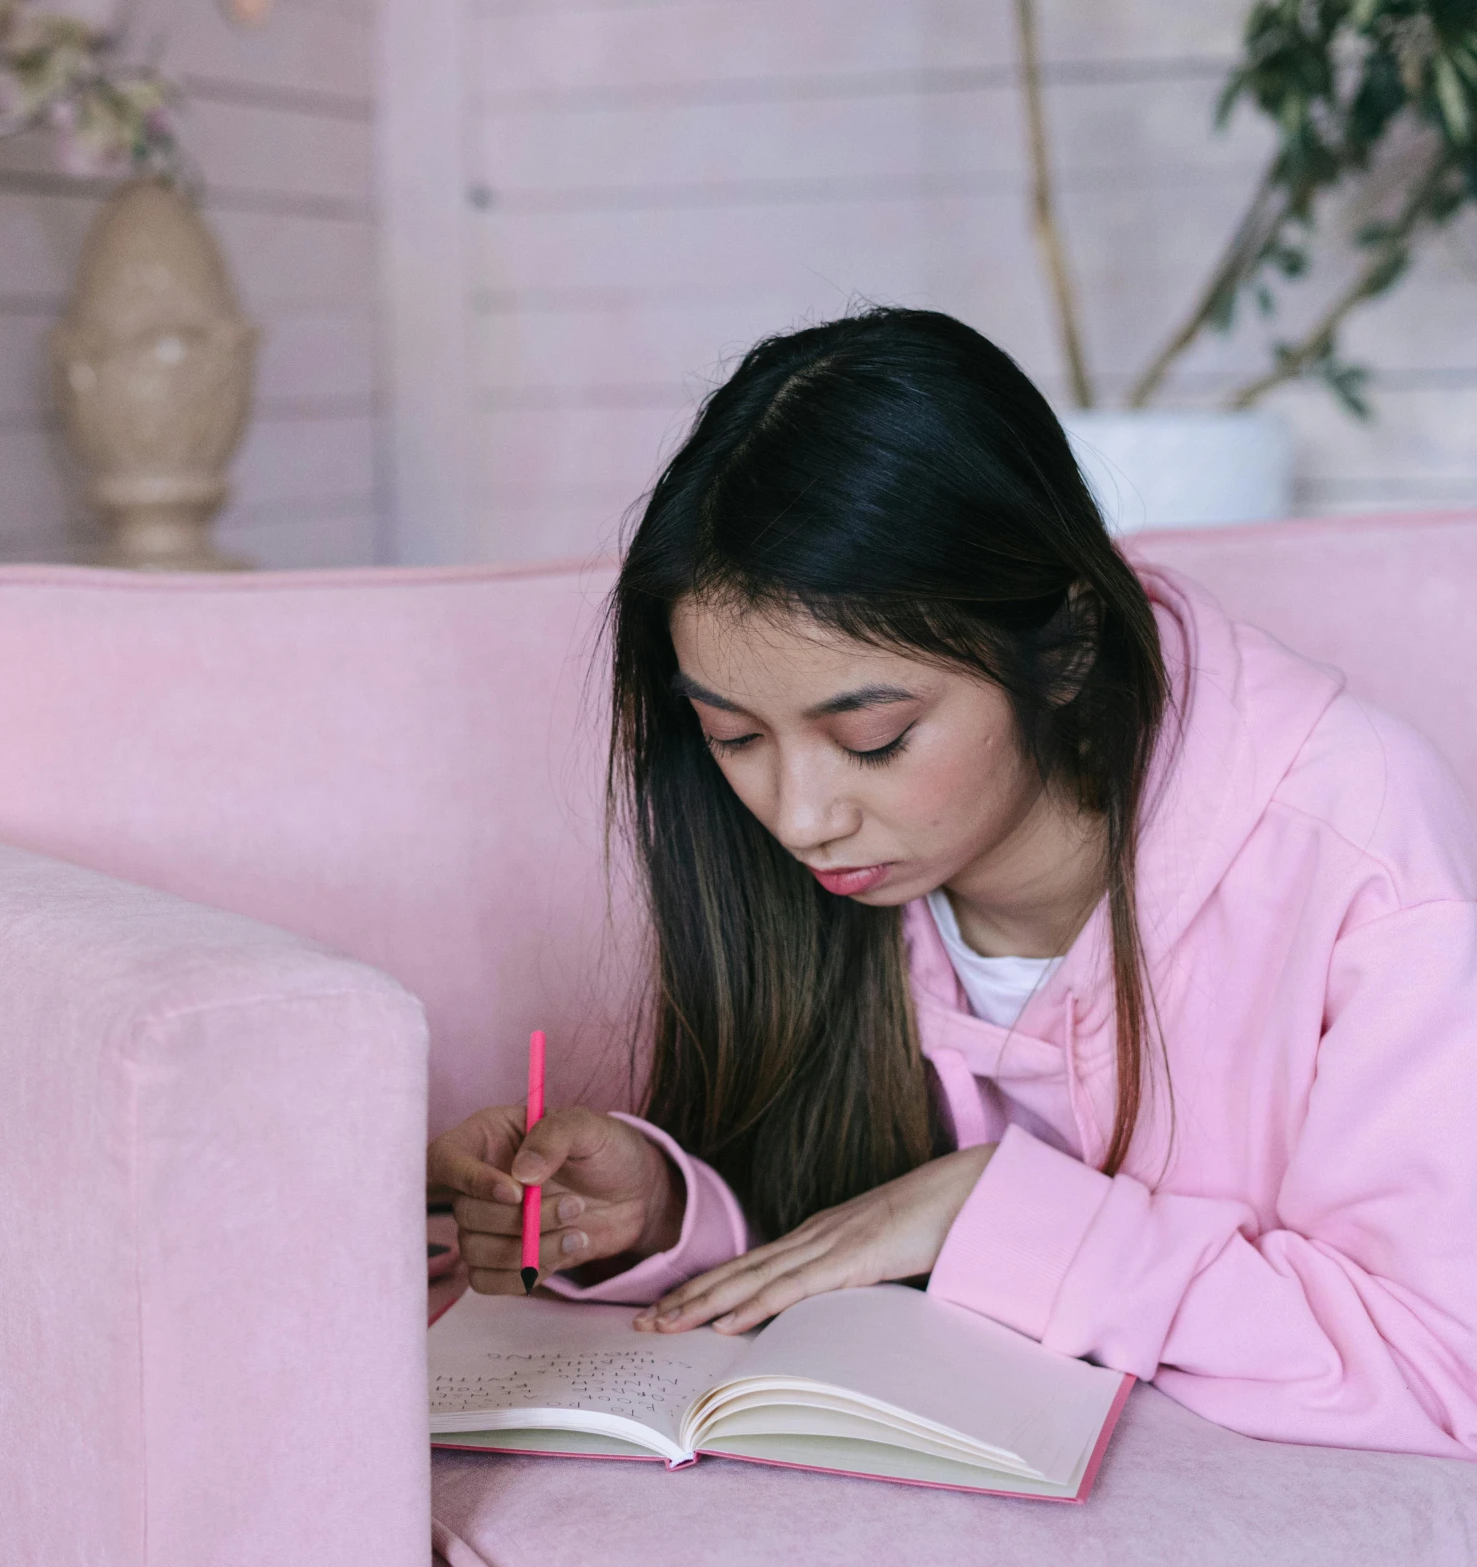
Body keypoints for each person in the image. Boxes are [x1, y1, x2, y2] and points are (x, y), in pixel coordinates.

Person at [425, 307, 1477, 1458]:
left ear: (1064, 647)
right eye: (733, 736)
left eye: (872, 737)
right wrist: (662, 1209)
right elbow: (834, 1213)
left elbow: (1442, 1368)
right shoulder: (828, 878)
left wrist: (995, 1206)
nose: (799, 817)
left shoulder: (1351, 840)